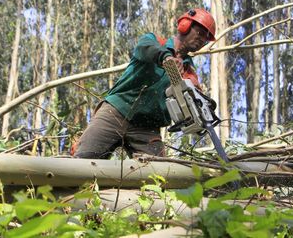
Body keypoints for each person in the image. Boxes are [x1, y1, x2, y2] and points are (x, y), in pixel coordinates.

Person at [74, 8, 216, 159]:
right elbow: (145, 47)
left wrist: (202, 108)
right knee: (83, 161)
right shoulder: (153, 41)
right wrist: (165, 57)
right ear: (185, 25)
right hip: (116, 111)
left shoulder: (189, 72)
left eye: (206, 38)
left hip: (147, 129)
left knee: (158, 175)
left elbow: (195, 96)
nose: (202, 40)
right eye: (200, 33)